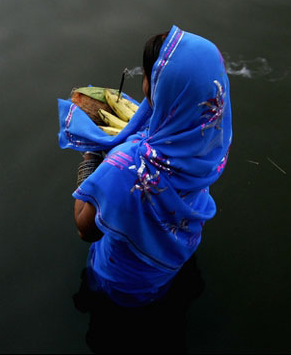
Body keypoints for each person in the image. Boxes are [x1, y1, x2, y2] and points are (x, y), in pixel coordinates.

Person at [57, 25, 232, 308]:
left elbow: (86, 230)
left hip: (120, 282)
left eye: (149, 77)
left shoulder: (128, 164)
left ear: (156, 88)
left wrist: (91, 158)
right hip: (171, 262)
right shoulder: (211, 138)